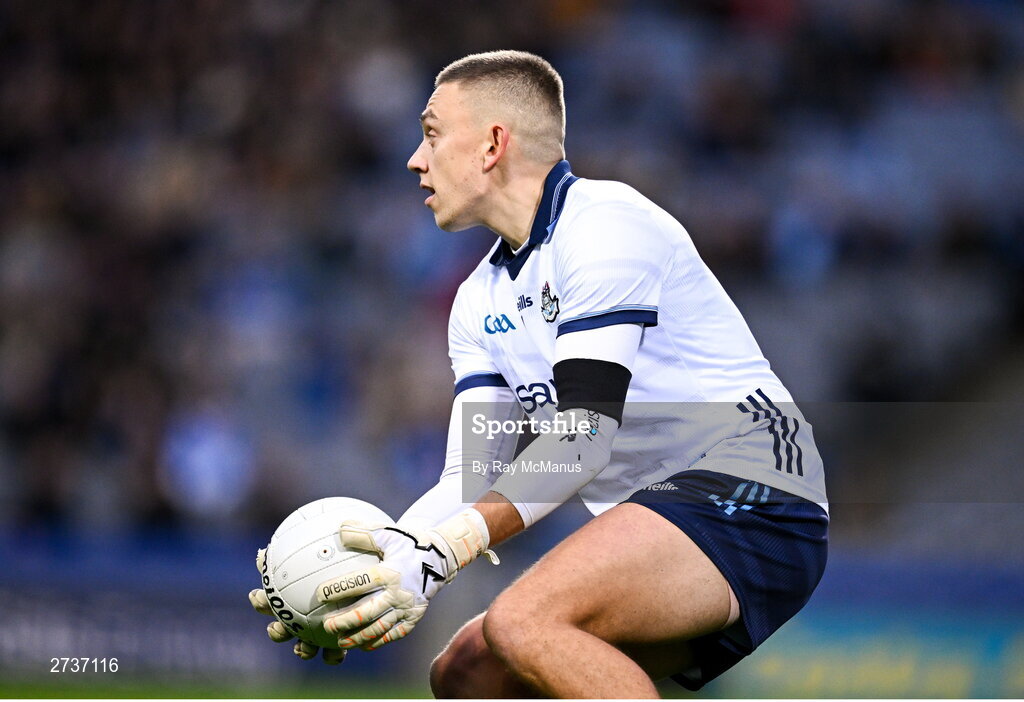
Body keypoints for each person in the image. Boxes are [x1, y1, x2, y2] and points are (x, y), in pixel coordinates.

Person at [250, 50, 828, 698]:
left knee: (523, 622)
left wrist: (447, 551)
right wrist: (384, 567)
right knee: (465, 674)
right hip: (663, 516)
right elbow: (470, 478)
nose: (416, 159)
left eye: (433, 134)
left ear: (494, 143)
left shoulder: (605, 226)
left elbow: (583, 435)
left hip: (753, 487)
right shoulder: (478, 301)